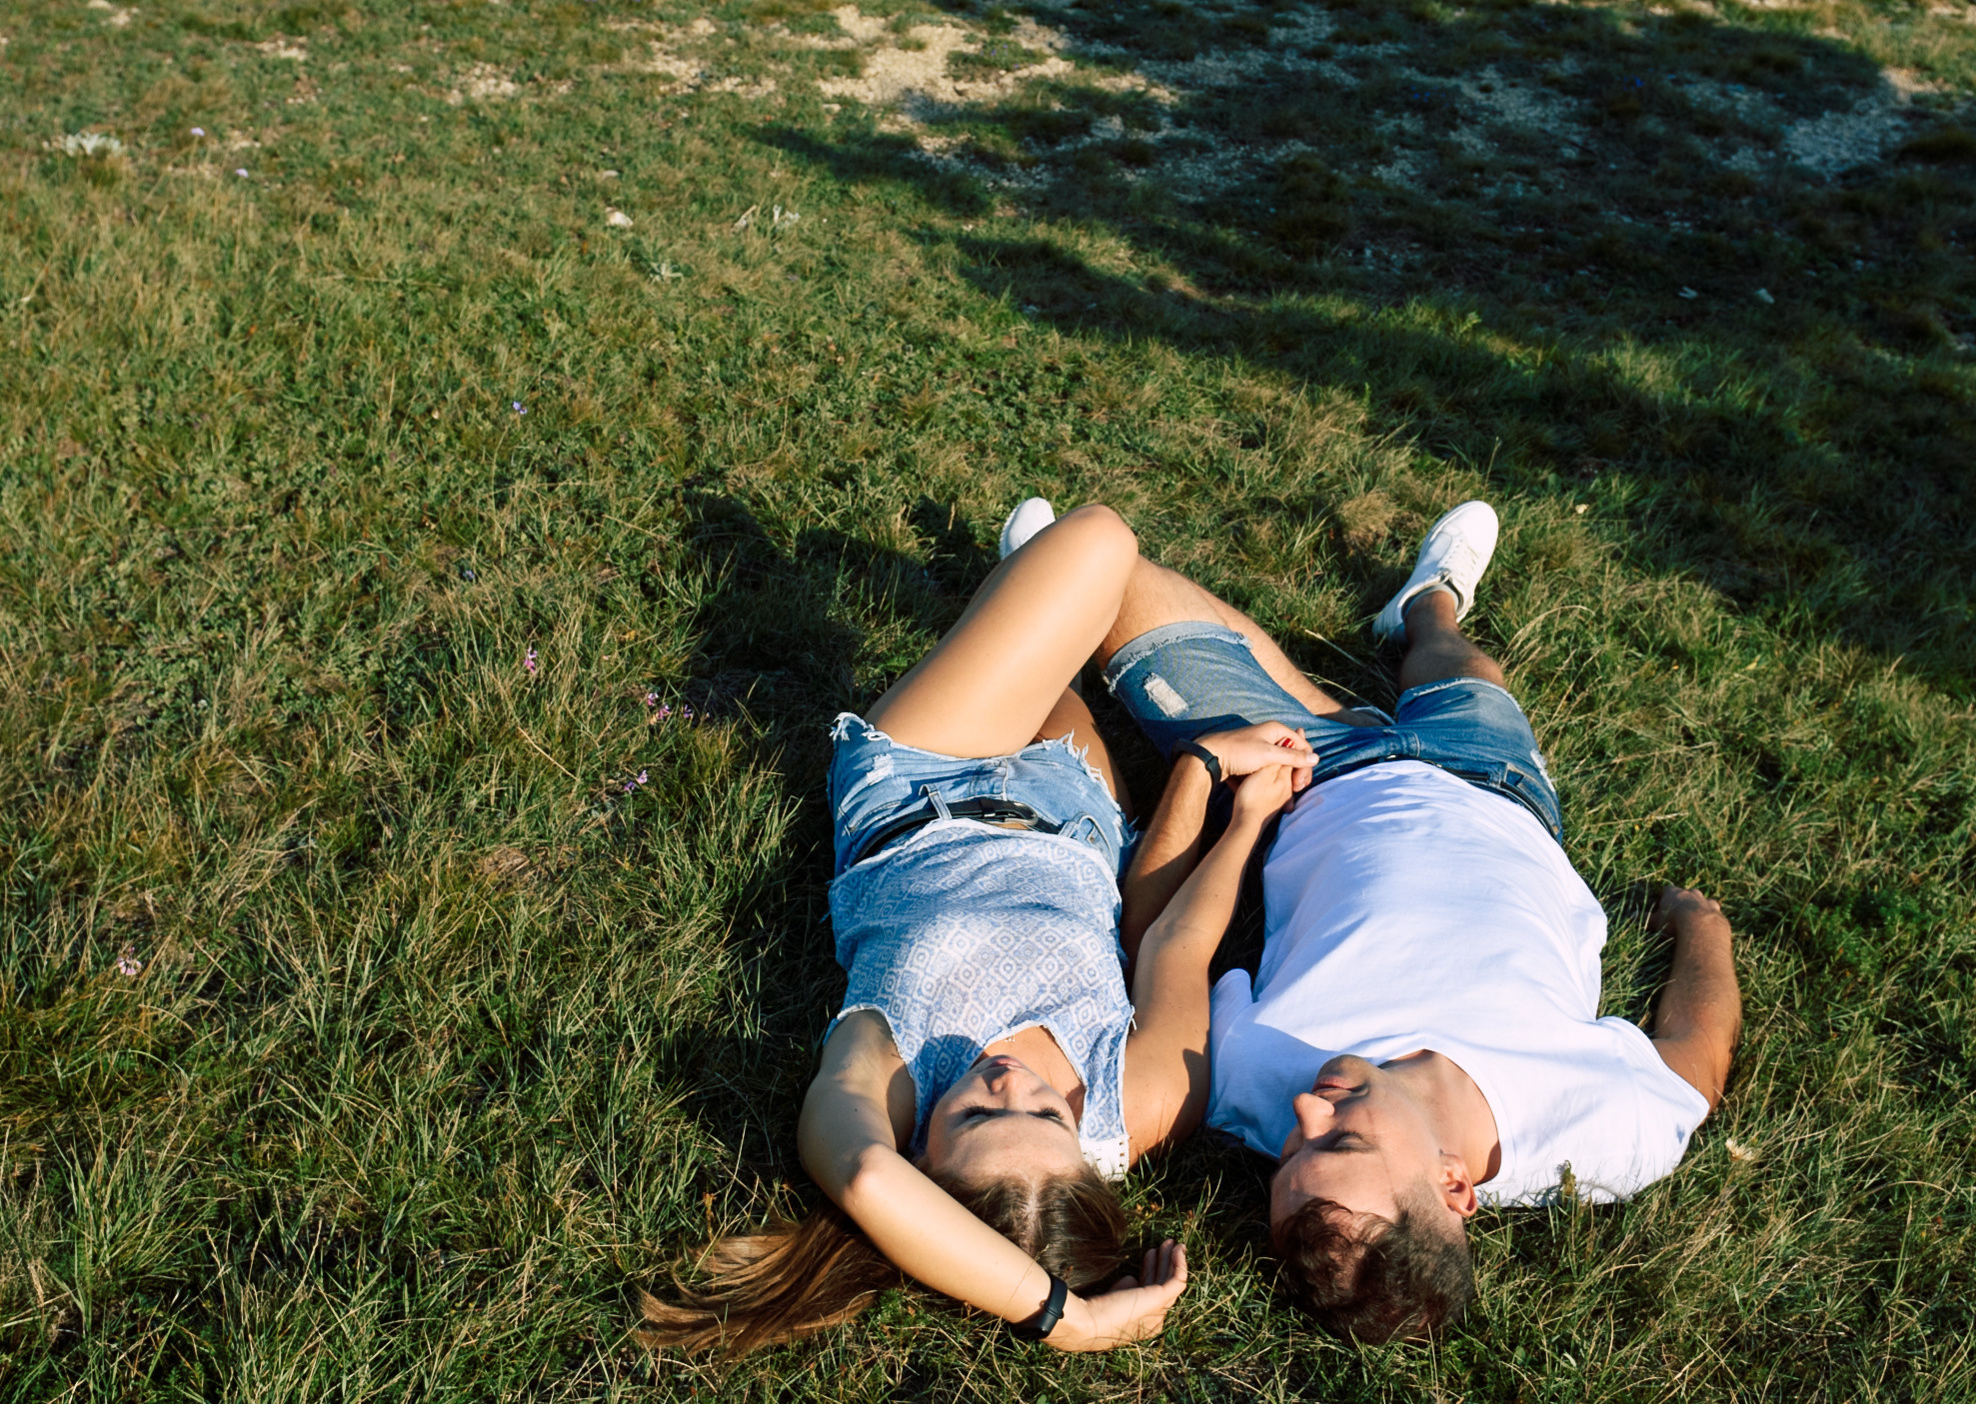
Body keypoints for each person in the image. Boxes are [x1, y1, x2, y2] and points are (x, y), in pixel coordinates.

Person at [641, 499, 1309, 1359]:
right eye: (1045, 1113)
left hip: (928, 777)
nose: (1011, 1082)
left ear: (924, 1155)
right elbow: (1176, 942)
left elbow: (867, 1177)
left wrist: (1068, 1320)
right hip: (1080, 814)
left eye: (979, 1116)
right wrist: (1233, 800)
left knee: (1099, 543)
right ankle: (1023, 585)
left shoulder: (889, 1082)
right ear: (1085, 1148)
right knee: (1064, 633)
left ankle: (1024, 579)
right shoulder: (1135, 1105)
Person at [1104, 501, 1742, 1346]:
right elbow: (1696, 1060)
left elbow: (1158, 941)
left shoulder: (1250, 1083)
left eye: (1288, 1159)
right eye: (1338, 1144)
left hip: (1308, 772)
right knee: (1454, 661)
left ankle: (1372, 644)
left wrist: (1218, 782)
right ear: (1453, 1186)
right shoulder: (1600, 1131)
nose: (1302, 1114)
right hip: (1497, 785)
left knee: (1100, 584)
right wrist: (1704, 929)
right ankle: (1427, 605)